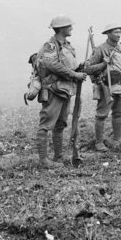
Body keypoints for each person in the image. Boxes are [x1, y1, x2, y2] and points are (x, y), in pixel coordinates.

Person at [35, 15, 87, 169]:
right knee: (46, 124)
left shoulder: (68, 45)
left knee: (61, 124)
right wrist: (74, 74)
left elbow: (68, 65)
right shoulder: (50, 46)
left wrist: (79, 68)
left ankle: (58, 157)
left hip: (65, 89)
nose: (71, 28)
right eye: (69, 26)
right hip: (53, 89)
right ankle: (44, 161)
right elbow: (52, 65)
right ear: (61, 28)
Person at [85, 23, 121, 151]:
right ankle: (99, 143)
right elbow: (88, 68)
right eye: (115, 32)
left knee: (118, 113)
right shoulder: (100, 49)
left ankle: (117, 140)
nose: (118, 35)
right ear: (108, 33)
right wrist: (103, 64)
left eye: (119, 32)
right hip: (106, 86)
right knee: (102, 115)